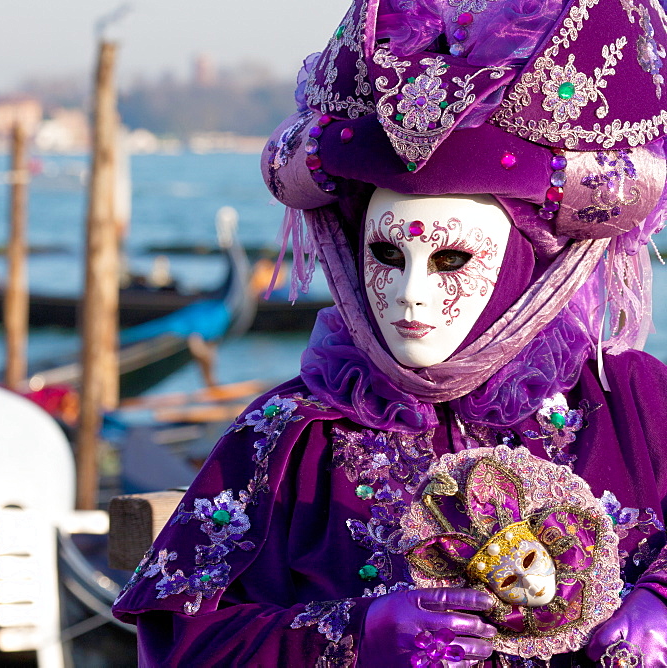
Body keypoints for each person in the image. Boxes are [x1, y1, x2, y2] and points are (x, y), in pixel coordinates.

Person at [111, 0, 667, 664]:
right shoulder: (292, 435)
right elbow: (182, 645)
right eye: (386, 256)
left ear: (527, 261)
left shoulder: (629, 402)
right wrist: (356, 636)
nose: (411, 294)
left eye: (452, 258)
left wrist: (659, 603)